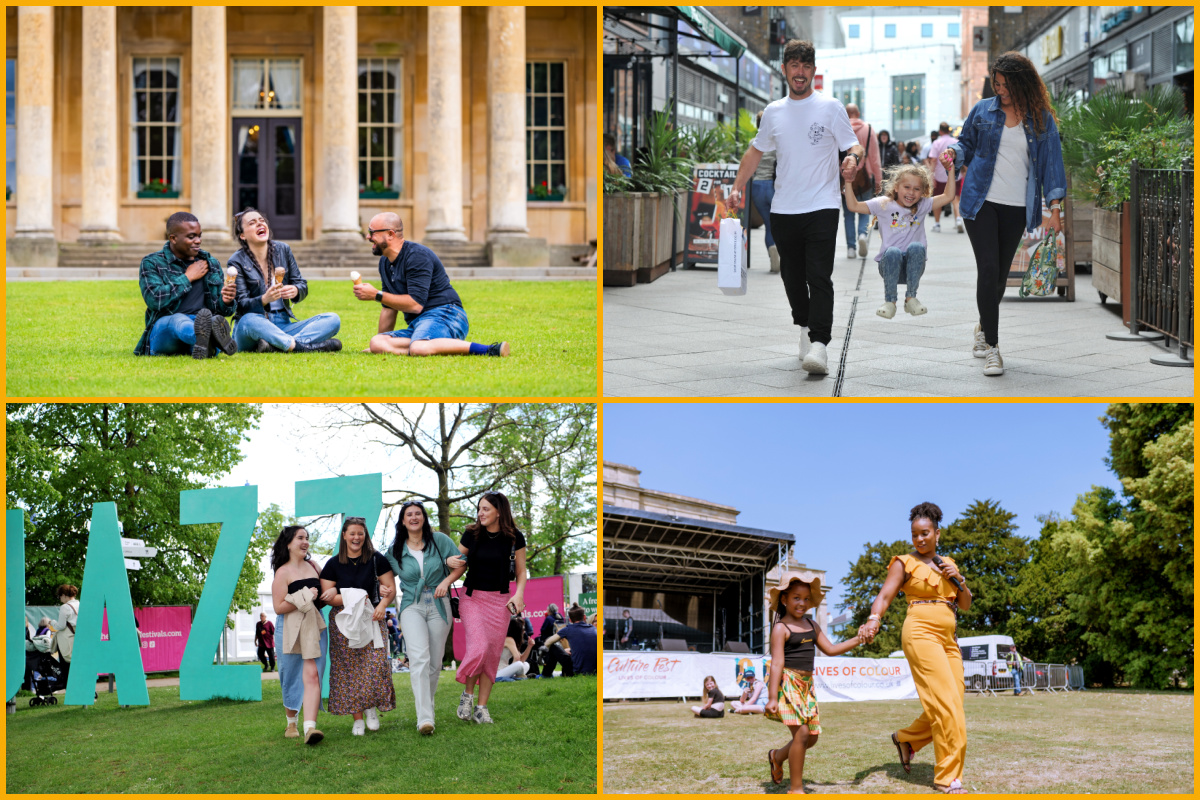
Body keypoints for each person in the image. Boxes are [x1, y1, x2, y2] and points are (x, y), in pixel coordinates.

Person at [728, 39, 863, 376]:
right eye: (794, 65)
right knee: (791, 276)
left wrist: (852, 160)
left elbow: (854, 145)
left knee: (819, 275)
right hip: (785, 208)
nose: (800, 72)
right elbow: (755, 153)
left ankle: (819, 344)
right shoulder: (773, 112)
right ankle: (804, 325)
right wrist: (735, 188)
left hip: (823, 205)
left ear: (813, 71)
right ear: (785, 69)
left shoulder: (831, 107)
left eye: (806, 66)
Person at [944, 52, 1067, 378]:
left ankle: (984, 326)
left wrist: (1055, 209)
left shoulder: (1041, 119)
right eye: (996, 84)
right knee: (988, 268)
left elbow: (1052, 165)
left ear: (1021, 82)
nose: (1000, 90)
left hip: (1017, 207)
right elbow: (964, 144)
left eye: (1006, 85)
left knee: (998, 278)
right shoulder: (983, 110)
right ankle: (994, 349)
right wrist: (952, 153)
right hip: (980, 203)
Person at [859, 502, 973, 794]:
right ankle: (947, 777)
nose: (920, 539)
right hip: (920, 633)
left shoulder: (949, 564)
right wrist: (874, 619)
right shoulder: (904, 562)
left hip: (949, 640)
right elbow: (884, 595)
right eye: (915, 534)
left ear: (937, 532)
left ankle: (908, 739)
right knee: (946, 704)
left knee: (953, 702)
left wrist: (956, 578)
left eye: (925, 533)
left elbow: (965, 603)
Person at [355, 212, 510, 357]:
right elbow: (389, 309)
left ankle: (489, 349)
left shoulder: (417, 256)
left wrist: (376, 295)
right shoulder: (384, 262)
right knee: (377, 342)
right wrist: (379, 346)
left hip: (446, 314)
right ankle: (436, 345)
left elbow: (415, 305)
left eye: (372, 232)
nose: (368, 236)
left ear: (390, 234)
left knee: (418, 347)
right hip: (418, 325)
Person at [764, 573, 863, 794]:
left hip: (807, 685)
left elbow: (831, 649)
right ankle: (796, 790)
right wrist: (772, 697)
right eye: (797, 598)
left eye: (806, 599)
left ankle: (777, 756)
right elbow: (777, 663)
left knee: (812, 737)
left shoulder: (812, 624)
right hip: (788, 684)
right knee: (801, 735)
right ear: (784, 599)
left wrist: (859, 638)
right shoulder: (781, 628)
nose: (802, 603)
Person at [384, 500, 465, 735]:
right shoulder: (395, 550)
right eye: (408, 514)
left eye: (418, 513)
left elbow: (461, 563)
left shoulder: (440, 540)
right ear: (403, 521)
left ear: (423, 517)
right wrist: (383, 589)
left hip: (439, 604)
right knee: (418, 657)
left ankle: (426, 708)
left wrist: (446, 579)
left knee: (435, 662)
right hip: (412, 605)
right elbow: (385, 577)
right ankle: (425, 719)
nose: (413, 517)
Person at [447, 491, 527, 724]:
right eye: (479, 508)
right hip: (471, 598)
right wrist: (448, 561)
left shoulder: (515, 538)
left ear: (499, 512)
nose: (480, 513)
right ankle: (467, 695)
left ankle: (481, 708)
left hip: (500, 602)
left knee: (491, 655)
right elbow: (457, 562)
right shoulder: (472, 534)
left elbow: (521, 572)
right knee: (479, 647)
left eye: (485, 509)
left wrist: (518, 594)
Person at [844, 161, 956, 319]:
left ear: (923, 191)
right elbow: (853, 206)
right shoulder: (883, 204)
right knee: (893, 252)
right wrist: (848, 181)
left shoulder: (923, 205)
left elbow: (949, 196)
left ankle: (911, 298)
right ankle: (890, 302)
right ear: (896, 187)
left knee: (917, 247)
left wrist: (950, 170)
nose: (911, 193)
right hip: (889, 266)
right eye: (907, 187)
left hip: (914, 267)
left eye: (917, 189)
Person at [319, 516, 398, 736]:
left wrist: (382, 604)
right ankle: (357, 719)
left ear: (365, 536)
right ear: (344, 536)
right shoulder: (333, 564)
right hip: (343, 622)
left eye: (360, 533)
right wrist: (359, 596)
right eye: (352, 533)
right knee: (349, 670)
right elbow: (328, 597)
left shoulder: (376, 559)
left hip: (372, 616)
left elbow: (389, 587)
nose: (356, 537)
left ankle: (371, 709)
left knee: (375, 666)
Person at [228, 208, 342, 353]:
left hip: (282, 324)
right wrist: (264, 299)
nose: (259, 224)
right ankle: (301, 346)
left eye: (262, 221)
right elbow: (241, 305)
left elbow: (301, 284)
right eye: (252, 223)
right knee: (249, 320)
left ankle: (277, 345)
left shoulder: (283, 250)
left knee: (332, 319)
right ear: (243, 235)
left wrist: (295, 291)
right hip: (254, 325)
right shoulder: (236, 261)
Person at [135, 211, 237, 358]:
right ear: (173, 238)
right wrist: (187, 277)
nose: (198, 241)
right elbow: (155, 300)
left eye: (199, 235)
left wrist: (227, 301)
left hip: (201, 323)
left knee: (211, 320)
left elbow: (221, 310)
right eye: (191, 237)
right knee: (179, 320)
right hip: (165, 330)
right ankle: (210, 338)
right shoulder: (152, 262)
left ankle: (204, 344)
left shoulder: (210, 263)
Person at [270, 525, 328, 745]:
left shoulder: (314, 566)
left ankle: (310, 727)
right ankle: (291, 722)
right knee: (291, 673)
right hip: (289, 627)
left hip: (315, 624)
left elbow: (325, 593)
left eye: (307, 538)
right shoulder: (282, 572)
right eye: (300, 538)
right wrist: (306, 595)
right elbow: (278, 607)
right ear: (288, 543)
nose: (305, 542)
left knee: (314, 674)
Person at [842, 103, 883, 260]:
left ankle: (851, 248)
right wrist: (878, 180)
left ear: (846, 114)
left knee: (848, 214)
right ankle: (862, 235)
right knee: (865, 208)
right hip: (865, 177)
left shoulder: (842, 129)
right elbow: (874, 158)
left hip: (846, 176)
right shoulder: (869, 129)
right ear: (858, 113)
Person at [751, 110, 780, 273]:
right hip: (773, 186)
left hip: (757, 187)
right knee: (778, 224)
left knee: (768, 224)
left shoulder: (752, 143)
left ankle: (771, 249)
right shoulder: (777, 143)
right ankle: (778, 249)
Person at [927, 124, 964, 233]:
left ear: (940, 131)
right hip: (955, 175)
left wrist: (931, 175)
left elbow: (933, 160)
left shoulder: (936, 143)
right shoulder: (955, 141)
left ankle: (937, 224)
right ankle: (958, 219)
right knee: (956, 199)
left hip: (939, 175)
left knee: (937, 199)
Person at [544, 606, 597, 676]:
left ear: (570, 620)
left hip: (575, 671)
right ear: (584, 617)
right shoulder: (594, 629)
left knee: (553, 647)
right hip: (594, 670)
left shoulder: (568, 629)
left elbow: (547, 643)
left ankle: (546, 674)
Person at [52, 584, 80, 687]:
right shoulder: (80, 604)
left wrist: (52, 622)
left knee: (66, 667)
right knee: (78, 665)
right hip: (78, 639)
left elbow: (60, 626)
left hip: (66, 640)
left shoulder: (65, 607)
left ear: (64, 595)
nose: (59, 599)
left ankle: (71, 690)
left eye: (59, 596)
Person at [497, 615, 535, 681]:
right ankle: (518, 677)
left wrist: (529, 646)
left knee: (526, 664)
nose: (524, 631)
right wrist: (515, 667)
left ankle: (517, 676)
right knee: (519, 664)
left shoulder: (511, 640)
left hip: (504, 670)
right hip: (497, 673)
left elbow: (521, 659)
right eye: (523, 629)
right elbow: (517, 658)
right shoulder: (508, 639)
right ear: (517, 630)